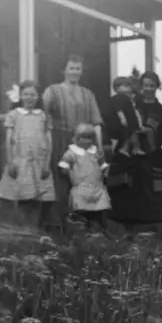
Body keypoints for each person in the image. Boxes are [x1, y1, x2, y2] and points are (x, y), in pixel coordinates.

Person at [107, 70, 162, 234]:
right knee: (128, 190)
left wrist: (146, 144)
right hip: (130, 155)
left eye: (152, 86)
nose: (148, 89)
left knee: (157, 193)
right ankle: (127, 230)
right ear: (141, 85)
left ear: (157, 87)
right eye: (145, 85)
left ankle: (161, 230)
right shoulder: (131, 105)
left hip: (152, 155)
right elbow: (119, 124)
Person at [43, 54, 104, 226]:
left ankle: (83, 222)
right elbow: (46, 119)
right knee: (62, 180)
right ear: (64, 70)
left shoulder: (88, 94)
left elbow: (96, 122)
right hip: (61, 139)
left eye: (78, 69)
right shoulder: (53, 91)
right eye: (71, 68)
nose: (74, 72)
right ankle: (60, 223)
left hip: (83, 142)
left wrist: (99, 146)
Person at [0, 80, 54, 227]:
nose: (29, 97)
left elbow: (49, 141)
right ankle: (23, 229)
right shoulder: (14, 115)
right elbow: (8, 141)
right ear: (21, 96)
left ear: (37, 97)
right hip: (20, 161)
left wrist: (47, 164)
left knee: (38, 198)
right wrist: (10, 163)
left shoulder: (43, 116)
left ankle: (36, 229)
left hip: (39, 162)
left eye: (32, 94)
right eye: (26, 94)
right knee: (22, 197)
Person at [57, 122, 111, 230]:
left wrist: (105, 172)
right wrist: (66, 172)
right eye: (84, 137)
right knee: (82, 215)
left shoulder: (96, 152)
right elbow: (63, 166)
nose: (87, 141)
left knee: (98, 215)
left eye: (89, 138)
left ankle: (98, 233)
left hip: (97, 189)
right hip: (81, 189)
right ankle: (83, 233)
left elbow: (103, 166)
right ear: (77, 138)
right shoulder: (72, 153)